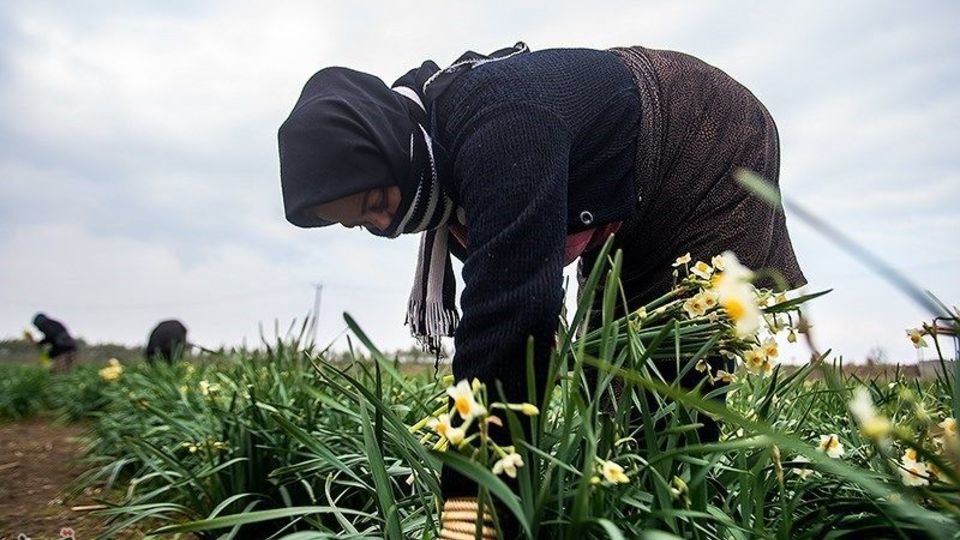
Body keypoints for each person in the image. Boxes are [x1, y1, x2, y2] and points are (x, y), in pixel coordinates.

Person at [278, 42, 805, 538]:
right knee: (609, 368)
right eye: (362, 223)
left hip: (706, 137)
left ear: (392, 144)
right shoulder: (442, 171)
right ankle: (616, 509)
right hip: (623, 190)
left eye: (376, 200)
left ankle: (677, 518)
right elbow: (522, 302)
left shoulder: (496, 123)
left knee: (671, 384)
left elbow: (505, 315)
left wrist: (468, 504)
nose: (388, 223)